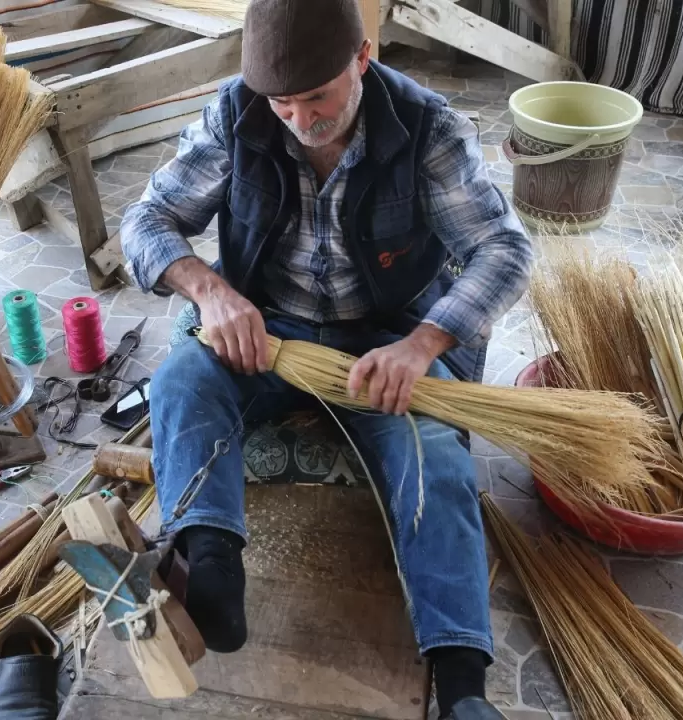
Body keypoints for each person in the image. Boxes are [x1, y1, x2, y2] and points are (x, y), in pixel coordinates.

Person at [120, 0, 532, 716]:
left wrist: (423, 344)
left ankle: (463, 686)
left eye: (317, 98)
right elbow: (146, 220)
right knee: (182, 379)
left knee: (434, 456)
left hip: (384, 340)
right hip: (268, 330)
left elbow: (504, 249)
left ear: (362, 58)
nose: (300, 121)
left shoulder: (426, 128)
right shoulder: (237, 114)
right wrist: (211, 292)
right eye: (282, 103)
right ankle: (212, 565)